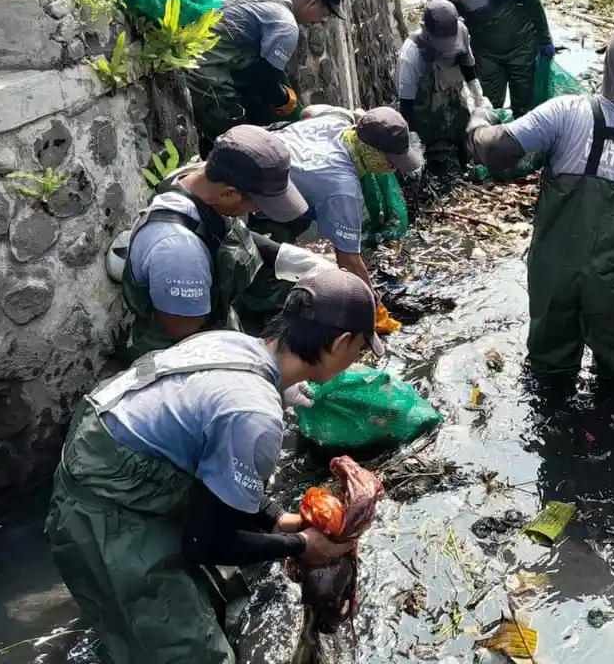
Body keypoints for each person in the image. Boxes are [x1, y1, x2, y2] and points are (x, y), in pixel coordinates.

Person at [46, 268, 383, 663]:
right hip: (103, 515)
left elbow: (208, 458)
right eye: (360, 347)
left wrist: (276, 518)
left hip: (116, 471)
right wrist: (302, 546)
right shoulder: (255, 413)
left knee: (223, 602)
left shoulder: (230, 342)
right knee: (195, 654)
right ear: (342, 342)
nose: (356, 357)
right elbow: (206, 542)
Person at [467, 23, 614, 385]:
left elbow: (497, 150)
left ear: (608, 68)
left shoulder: (564, 112)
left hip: (553, 276)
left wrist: (478, 125)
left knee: (548, 375)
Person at [113, 124, 327, 359]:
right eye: (257, 204)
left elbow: (230, 231)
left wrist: (305, 263)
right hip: (182, 355)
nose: (257, 211)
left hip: (216, 317)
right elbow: (188, 339)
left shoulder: (199, 179)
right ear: (230, 193)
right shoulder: (179, 251)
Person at [262, 104, 425, 291]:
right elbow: (349, 263)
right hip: (255, 195)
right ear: (371, 151)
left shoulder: (338, 121)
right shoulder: (342, 189)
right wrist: (372, 306)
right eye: (391, 162)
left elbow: (308, 111)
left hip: (263, 145)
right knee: (280, 274)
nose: (393, 169)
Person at [187, 0, 346, 156]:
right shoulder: (285, 26)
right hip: (202, 76)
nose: (321, 21)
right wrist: (286, 101)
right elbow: (263, 83)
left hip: (184, 47)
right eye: (324, 15)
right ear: (314, 3)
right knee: (242, 148)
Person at [425, 0, 554, 118]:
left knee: (524, 106)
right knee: (489, 107)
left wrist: (545, 39)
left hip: (521, 45)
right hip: (486, 53)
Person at [395, 0, 488, 173]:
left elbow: (466, 63)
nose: (446, 50)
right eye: (441, 44)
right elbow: (405, 104)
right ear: (425, 29)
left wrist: (477, 94)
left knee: (465, 144)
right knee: (439, 164)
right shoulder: (411, 56)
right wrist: (413, 142)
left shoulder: (461, 30)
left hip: (453, 98)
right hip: (425, 112)